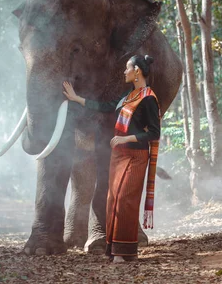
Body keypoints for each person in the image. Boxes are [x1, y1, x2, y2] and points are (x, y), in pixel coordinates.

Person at [62, 54, 161, 263]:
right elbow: (105, 106)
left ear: (137, 72)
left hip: (136, 156)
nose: (124, 72)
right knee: (113, 199)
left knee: (126, 200)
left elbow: (154, 133)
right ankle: (118, 250)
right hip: (119, 156)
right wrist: (76, 99)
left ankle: (124, 252)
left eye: (127, 68)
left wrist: (126, 139)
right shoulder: (127, 96)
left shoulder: (149, 98)